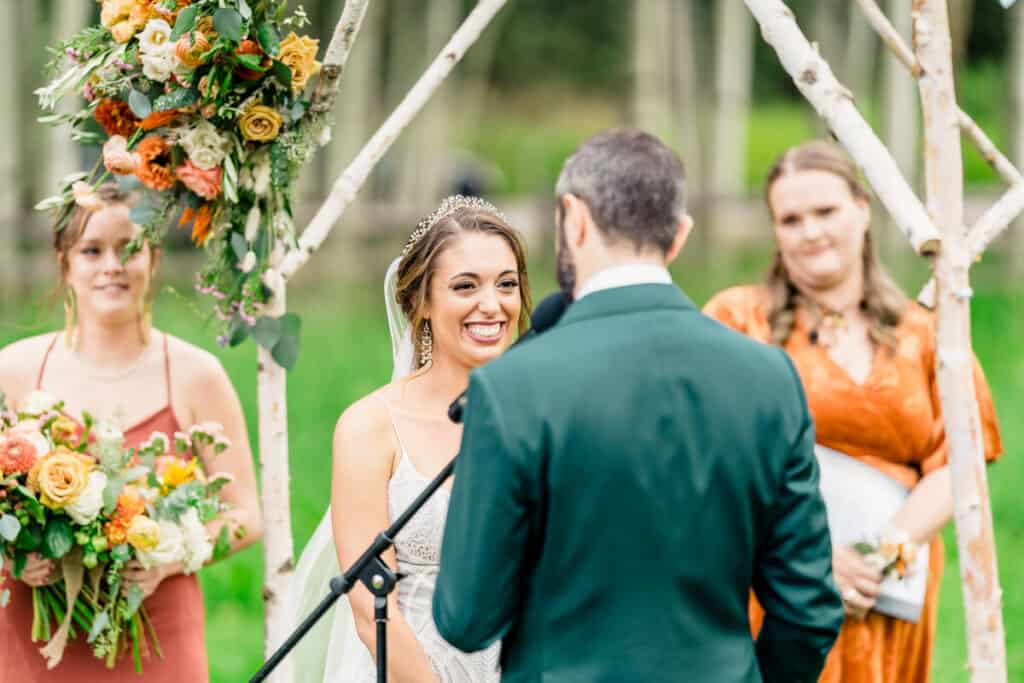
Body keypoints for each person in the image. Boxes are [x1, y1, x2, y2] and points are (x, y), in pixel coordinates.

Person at [432, 128, 845, 683]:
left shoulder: (513, 387)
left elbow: (467, 618)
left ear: (573, 219)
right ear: (679, 235)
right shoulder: (770, 376)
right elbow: (809, 610)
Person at [703, 140, 1003, 682]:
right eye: (791, 219)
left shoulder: (926, 333)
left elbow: (964, 456)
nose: (811, 232)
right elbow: (707, 458)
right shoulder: (737, 320)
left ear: (862, 209)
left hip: (888, 588)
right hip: (773, 589)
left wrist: (880, 554)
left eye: (825, 211)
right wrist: (812, 562)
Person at [0, 183, 263, 681]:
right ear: (64, 263)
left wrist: (170, 554)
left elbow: (246, 515)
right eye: (91, 250)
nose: (111, 266)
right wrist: (15, 555)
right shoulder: (13, 371)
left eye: (129, 248)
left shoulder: (195, 375)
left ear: (154, 258)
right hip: (35, 642)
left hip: (157, 636)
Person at [288, 196, 532, 682]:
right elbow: (367, 608)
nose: (492, 304)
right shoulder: (371, 427)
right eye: (466, 286)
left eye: (506, 284)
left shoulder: (544, 417)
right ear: (421, 300)